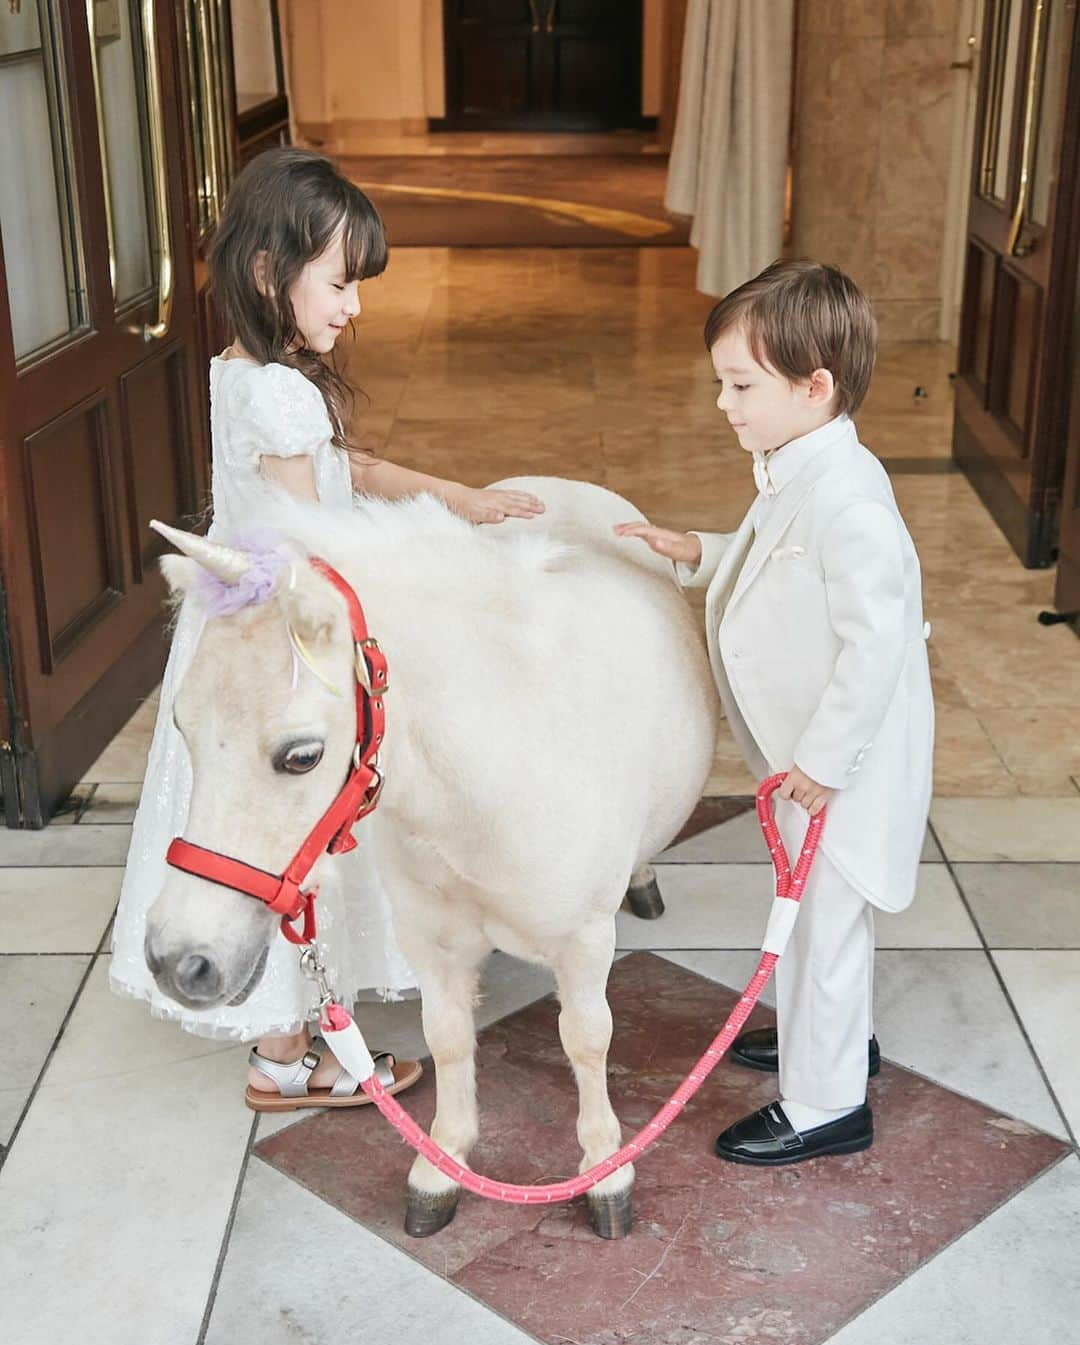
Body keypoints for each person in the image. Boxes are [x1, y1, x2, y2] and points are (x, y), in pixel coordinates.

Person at [110, 147, 545, 1110]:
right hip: (290, 647)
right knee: (286, 831)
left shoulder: (243, 371)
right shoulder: (282, 390)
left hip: (239, 634)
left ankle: (283, 1032)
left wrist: (455, 497)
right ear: (272, 273)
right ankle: (285, 1055)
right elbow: (323, 538)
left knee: (238, 820)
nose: (353, 307)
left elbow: (358, 468)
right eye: (341, 283)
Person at [614, 259, 934, 1164]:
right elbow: (776, 565)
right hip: (807, 759)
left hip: (840, 765)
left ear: (814, 386)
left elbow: (876, 646)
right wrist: (701, 551)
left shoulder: (852, 502)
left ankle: (827, 1103)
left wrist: (827, 763)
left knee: (824, 917)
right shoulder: (798, 463)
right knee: (812, 911)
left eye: (741, 385)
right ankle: (833, 1041)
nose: (725, 403)